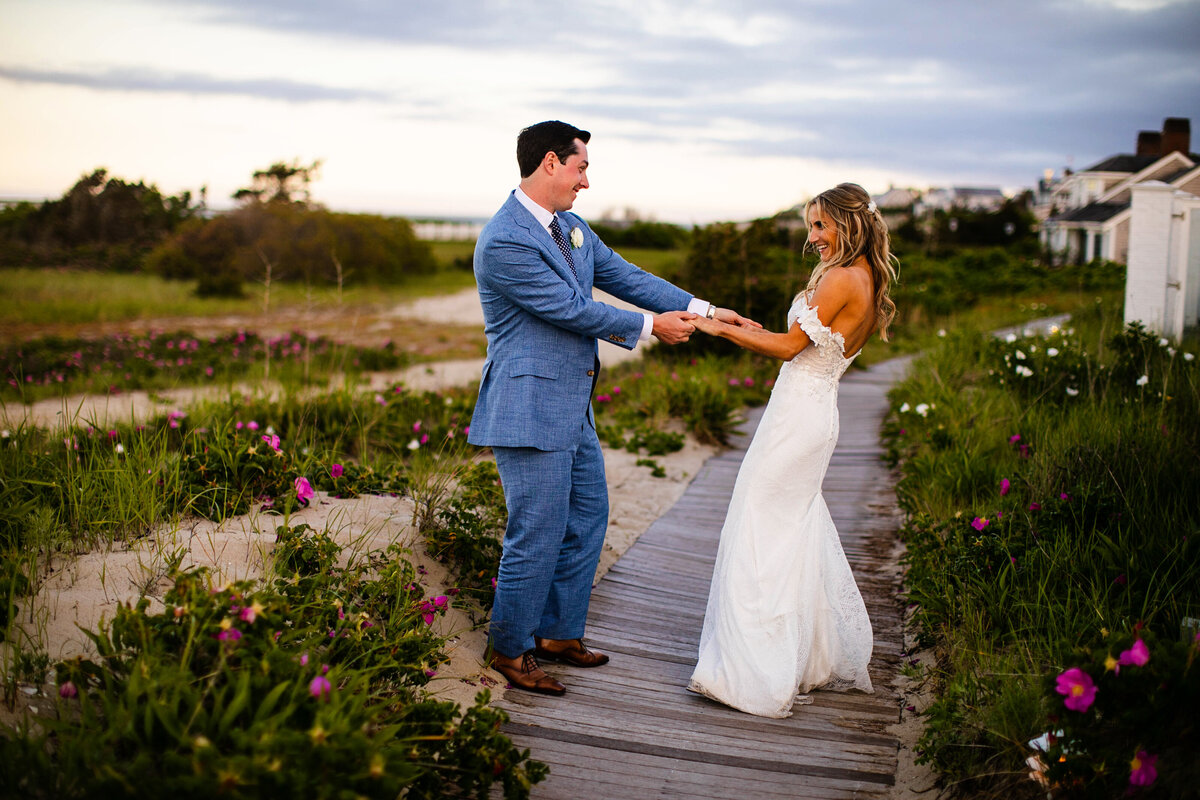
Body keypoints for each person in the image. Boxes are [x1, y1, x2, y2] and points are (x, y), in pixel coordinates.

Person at [469, 120, 758, 695]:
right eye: (581, 168)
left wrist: (705, 310)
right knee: (537, 530)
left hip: (571, 404)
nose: (586, 181)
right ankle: (510, 648)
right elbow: (568, 310)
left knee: (588, 517)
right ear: (550, 163)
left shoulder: (571, 228)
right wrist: (653, 328)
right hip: (527, 407)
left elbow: (626, 276)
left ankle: (557, 633)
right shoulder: (504, 239)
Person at [686, 182, 899, 718]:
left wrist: (720, 330)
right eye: (810, 225)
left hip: (798, 418)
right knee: (787, 530)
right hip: (809, 412)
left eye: (821, 225)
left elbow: (788, 349)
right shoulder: (865, 277)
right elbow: (805, 346)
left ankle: (757, 670)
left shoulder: (843, 278)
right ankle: (804, 658)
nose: (813, 237)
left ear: (849, 224)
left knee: (763, 528)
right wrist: (752, 328)